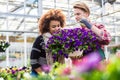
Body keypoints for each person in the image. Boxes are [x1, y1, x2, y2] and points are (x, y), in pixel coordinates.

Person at [30, 9, 66, 76]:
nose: (57, 28)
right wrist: (45, 76)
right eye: (53, 26)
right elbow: (33, 61)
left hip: (54, 75)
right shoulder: (40, 39)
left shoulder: (60, 40)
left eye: (58, 25)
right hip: (39, 75)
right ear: (47, 27)